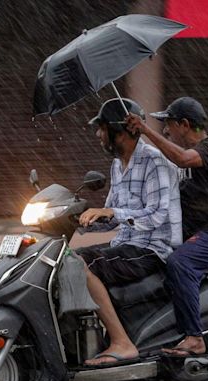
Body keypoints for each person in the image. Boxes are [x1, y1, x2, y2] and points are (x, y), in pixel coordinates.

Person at [125, 96, 208, 356]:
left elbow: (183, 159)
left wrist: (145, 130)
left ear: (185, 124)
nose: (166, 130)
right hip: (193, 234)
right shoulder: (178, 157)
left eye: (169, 124)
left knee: (180, 263)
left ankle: (194, 337)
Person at [75, 98, 182, 366]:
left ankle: (121, 342)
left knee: (79, 265)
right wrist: (78, 220)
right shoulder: (117, 164)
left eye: (101, 128)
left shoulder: (154, 162)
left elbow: (157, 216)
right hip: (126, 245)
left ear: (118, 130)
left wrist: (113, 213)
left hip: (151, 249)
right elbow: (112, 217)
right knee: (65, 259)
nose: (99, 135)